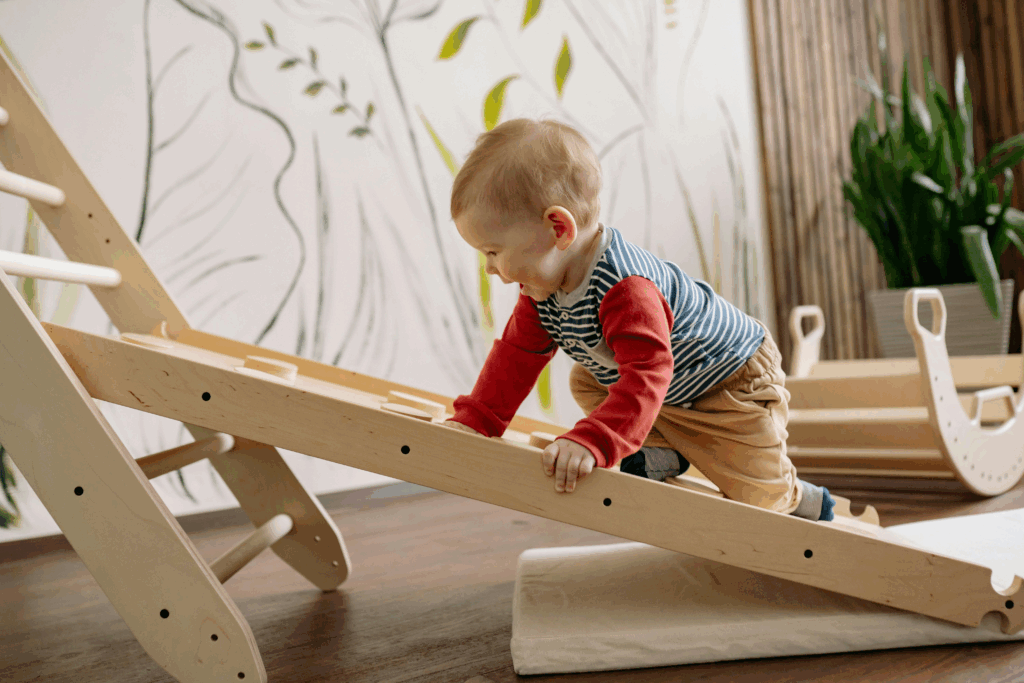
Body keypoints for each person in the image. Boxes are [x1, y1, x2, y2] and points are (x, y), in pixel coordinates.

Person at [443, 117, 834, 522]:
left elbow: (648, 374)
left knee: (761, 499)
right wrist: (477, 421)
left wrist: (594, 440)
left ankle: (802, 499)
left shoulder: (625, 289)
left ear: (558, 229)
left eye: (493, 252)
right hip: (670, 385)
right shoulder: (541, 290)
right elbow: (516, 357)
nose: (490, 268)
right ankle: (662, 450)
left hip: (730, 378)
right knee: (587, 379)